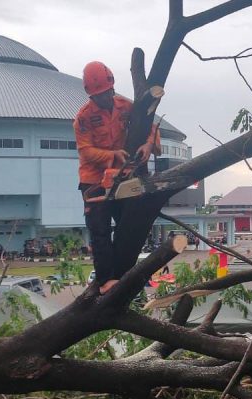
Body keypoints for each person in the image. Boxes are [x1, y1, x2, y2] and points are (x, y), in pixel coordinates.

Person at [74, 61, 160, 294]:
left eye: (106, 93)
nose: (104, 98)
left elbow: (148, 123)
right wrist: (112, 155)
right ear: (90, 95)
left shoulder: (124, 106)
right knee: (99, 229)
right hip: (94, 180)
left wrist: (148, 144)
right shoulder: (83, 118)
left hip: (122, 176)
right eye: (99, 95)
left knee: (128, 223)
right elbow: (86, 151)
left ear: (112, 87)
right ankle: (105, 280)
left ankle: (124, 274)